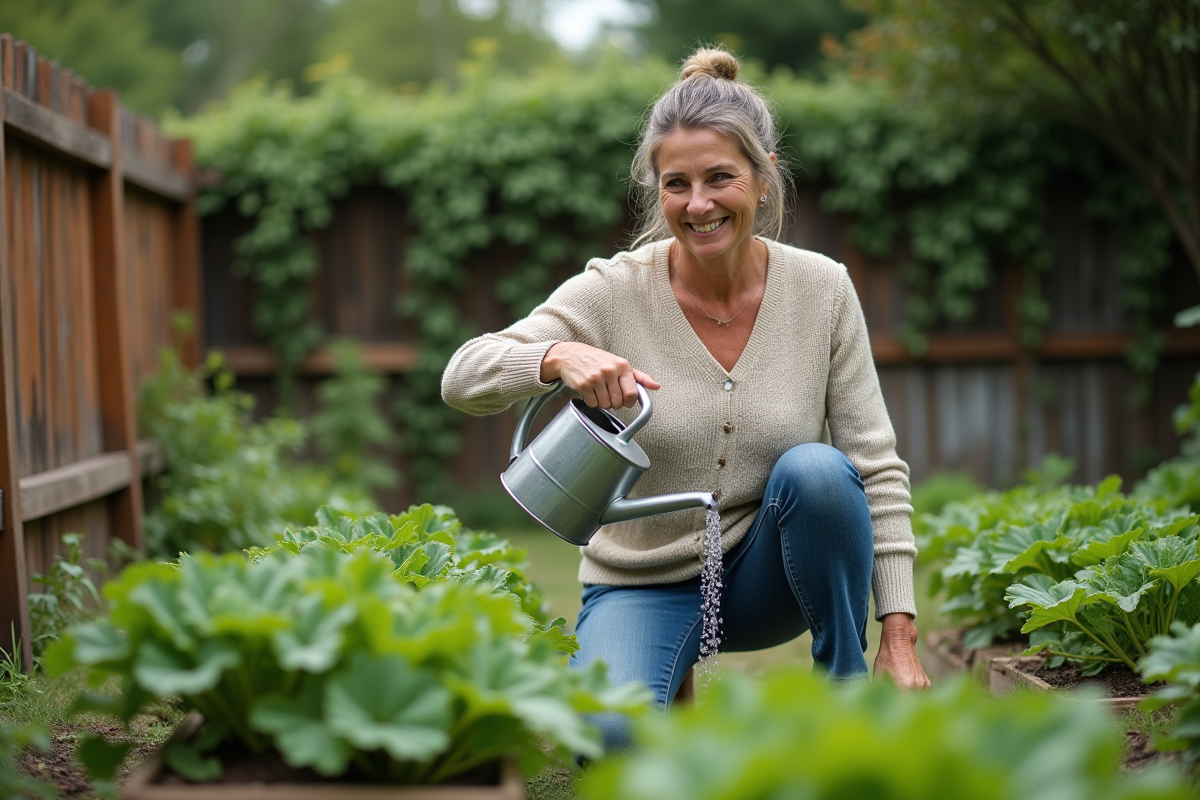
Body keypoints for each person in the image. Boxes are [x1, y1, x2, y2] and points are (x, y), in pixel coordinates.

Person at [441, 46, 930, 749]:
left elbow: (875, 466)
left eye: (719, 178)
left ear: (763, 182)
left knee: (820, 473)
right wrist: (555, 355)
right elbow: (463, 374)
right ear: (657, 191)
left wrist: (901, 635)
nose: (698, 204)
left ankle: (850, 708)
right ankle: (665, 692)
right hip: (644, 582)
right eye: (676, 184)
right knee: (613, 737)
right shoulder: (612, 291)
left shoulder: (822, 289)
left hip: (770, 577)